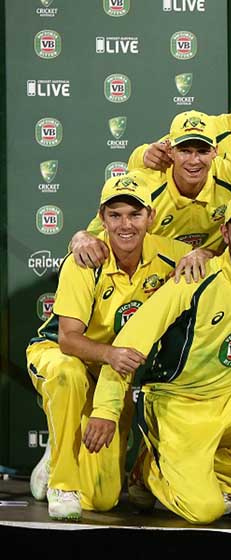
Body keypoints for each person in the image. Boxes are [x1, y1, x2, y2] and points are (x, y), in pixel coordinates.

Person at [84, 193, 231, 525]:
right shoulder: (193, 278)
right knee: (205, 511)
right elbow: (128, 347)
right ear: (225, 233)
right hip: (178, 405)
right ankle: (149, 470)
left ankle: (219, 479)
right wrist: (105, 409)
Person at [25, 173, 191, 520]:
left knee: (101, 500)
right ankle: (62, 482)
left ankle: (58, 447)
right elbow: (68, 338)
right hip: (59, 352)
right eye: (115, 215)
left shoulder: (172, 255)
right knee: (69, 375)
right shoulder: (85, 259)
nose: (125, 225)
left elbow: (212, 263)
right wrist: (112, 355)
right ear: (102, 219)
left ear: (151, 217)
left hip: (111, 371)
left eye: (134, 214)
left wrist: (202, 254)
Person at [70, 110, 231, 279]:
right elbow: (96, 233)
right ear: (169, 150)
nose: (194, 160)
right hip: (155, 281)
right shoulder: (144, 186)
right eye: (185, 151)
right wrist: (80, 237)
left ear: (215, 151)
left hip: (214, 274)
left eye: (203, 151)